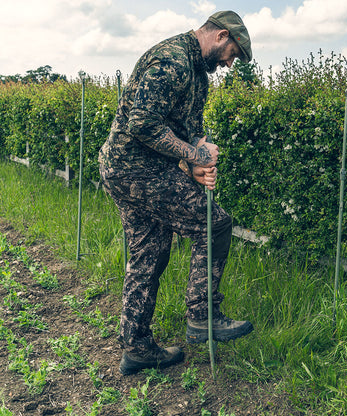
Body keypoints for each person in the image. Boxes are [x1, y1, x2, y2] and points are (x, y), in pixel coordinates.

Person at [98, 10, 254, 375]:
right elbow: (143, 123)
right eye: (233, 52)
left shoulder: (200, 75)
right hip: (135, 168)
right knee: (213, 224)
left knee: (149, 251)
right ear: (220, 36)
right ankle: (203, 316)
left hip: (136, 170)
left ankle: (137, 348)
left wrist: (195, 163)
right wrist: (195, 155)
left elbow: (185, 133)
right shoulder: (173, 60)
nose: (232, 63)